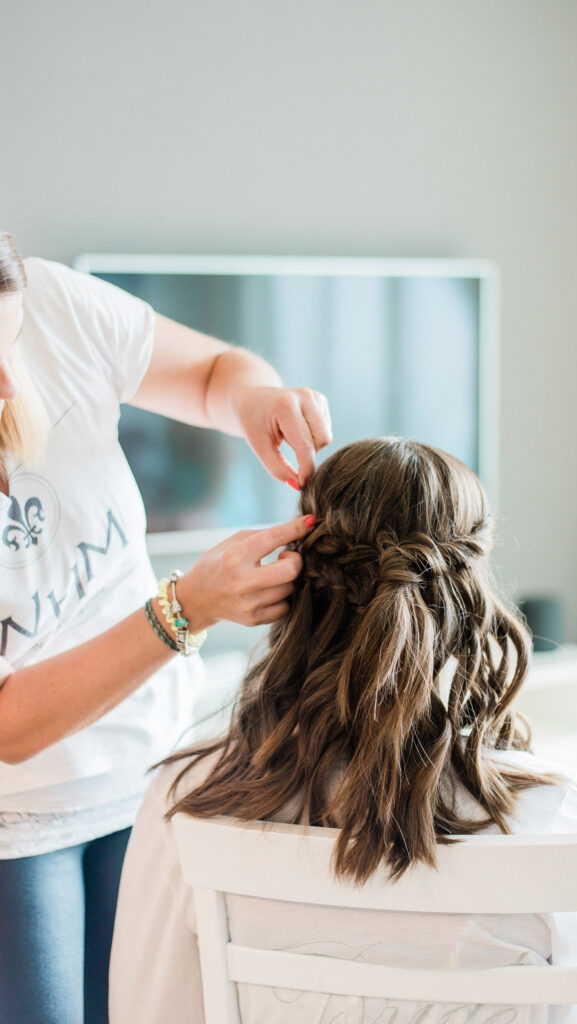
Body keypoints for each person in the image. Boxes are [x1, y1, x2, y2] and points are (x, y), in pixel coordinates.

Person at [110, 437, 577, 1024]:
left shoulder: (187, 799)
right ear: (467, 593)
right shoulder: (556, 816)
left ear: (294, 573)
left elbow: (149, 1009)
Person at [0, 230, 332, 1024]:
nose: (12, 385)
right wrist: (185, 609)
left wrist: (255, 399)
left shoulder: (51, 303)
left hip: (154, 769)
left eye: (7, 339)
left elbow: (218, 374)